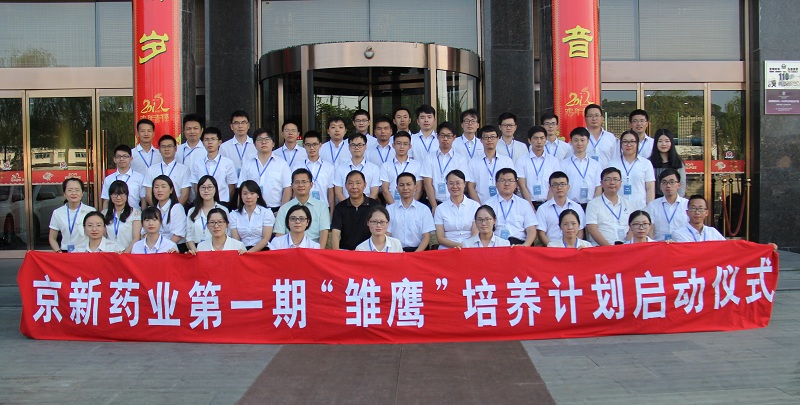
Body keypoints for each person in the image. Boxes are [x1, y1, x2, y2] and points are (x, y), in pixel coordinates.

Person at [422, 122, 473, 212]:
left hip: (454, 204)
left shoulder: (460, 159)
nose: (445, 139)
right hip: (434, 203)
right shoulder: (429, 158)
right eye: (442, 135)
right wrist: (434, 206)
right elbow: (427, 183)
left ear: (454, 137)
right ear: (437, 136)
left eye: (449, 136)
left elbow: (462, 183)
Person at [273, 168, 330, 246]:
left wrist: (319, 252)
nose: (300, 185)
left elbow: (324, 232)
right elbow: (279, 234)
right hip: (290, 248)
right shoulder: (284, 208)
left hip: (312, 248)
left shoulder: (322, 207)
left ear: (311, 185)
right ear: (292, 185)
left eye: (304, 182)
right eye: (297, 182)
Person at [238, 128, 292, 210]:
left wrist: (281, 211)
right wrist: (241, 209)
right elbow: (241, 187)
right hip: (252, 208)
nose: (263, 142)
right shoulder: (247, 164)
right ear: (254, 144)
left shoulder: (282, 164)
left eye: (267, 139)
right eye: (260, 139)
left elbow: (287, 189)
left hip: (275, 209)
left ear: (273, 143)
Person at [485, 168, 538, 246]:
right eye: (502, 180)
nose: (506, 184)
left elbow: (531, 229)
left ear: (516, 184)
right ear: (496, 184)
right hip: (496, 244)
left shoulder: (524, 204)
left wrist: (525, 245)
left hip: (519, 243)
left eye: (510, 181)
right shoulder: (488, 204)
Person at [331, 170, 382, 250]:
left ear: (365, 185)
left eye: (358, 183)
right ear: (346, 185)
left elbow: (380, 231)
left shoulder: (375, 206)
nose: (354, 187)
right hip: (346, 251)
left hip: (369, 251)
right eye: (350, 183)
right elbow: (335, 233)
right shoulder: (339, 207)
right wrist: (336, 254)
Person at [607, 131, 655, 210]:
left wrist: (649, 209)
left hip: (640, 209)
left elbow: (650, 189)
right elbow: (608, 188)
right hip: (618, 209)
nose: (628, 145)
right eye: (625, 142)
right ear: (621, 144)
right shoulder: (612, 163)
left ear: (637, 144)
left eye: (632, 141)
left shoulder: (646, 164)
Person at [386, 172, 435, 252]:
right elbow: (387, 234)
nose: (405, 188)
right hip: (395, 251)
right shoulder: (389, 210)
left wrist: (415, 255)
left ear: (415, 187)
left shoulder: (424, 209)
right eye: (401, 185)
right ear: (397, 188)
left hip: (418, 251)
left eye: (408, 184)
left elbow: (426, 237)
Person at [585, 167, 634, 246]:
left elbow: (633, 227)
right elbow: (591, 228)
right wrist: (609, 248)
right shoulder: (593, 204)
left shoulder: (628, 204)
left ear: (621, 183)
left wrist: (626, 244)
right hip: (601, 248)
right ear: (601, 183)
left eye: (615, 179)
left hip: (625, 247)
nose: (612, 182)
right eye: (608, 179)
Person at [467, 125, 515, 204]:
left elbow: (512, 184)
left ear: (498, 138)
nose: (489, 140)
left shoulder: (507, 161)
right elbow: (470, 186)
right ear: (481, 140)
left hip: (503, 204)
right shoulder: (473, 162)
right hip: (481, 204)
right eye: (486, 137)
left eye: (492, 137)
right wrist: (479, 206)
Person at [190, 127, 238, 206]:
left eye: (213, 139)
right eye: (206, 140)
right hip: (202, 203)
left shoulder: (228, 163)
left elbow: (231, 187)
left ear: (219, 142)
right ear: (202, 143)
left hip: (222, 202)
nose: (210, 142)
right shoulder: (198, 163)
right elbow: (195, 185)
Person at [536, 171, 586, 246]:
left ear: (568, 187)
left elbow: (580, 230)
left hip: (573, 248)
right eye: (555, 185)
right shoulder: (543, 209)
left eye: (562, 184)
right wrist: (552, 247)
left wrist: (574, 247)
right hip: (552, 247)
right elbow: (541, 233)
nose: (559, 187)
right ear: (550, 188)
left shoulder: (577, 207)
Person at [517, 125, 562, 209]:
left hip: (548, 203)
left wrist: (547, 206)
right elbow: (522, 186)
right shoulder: (521, 161)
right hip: (528, 204)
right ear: (529, 140)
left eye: (542, 138)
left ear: (546, 140)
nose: (539, 141)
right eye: (536, 138)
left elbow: (554, 184)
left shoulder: (553, 161)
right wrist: (530, 207)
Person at [434, 169, 480, 249]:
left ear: (464, 184)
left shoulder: (474, 206)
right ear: (447, 185)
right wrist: (458, 246)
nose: (454, 186)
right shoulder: (440, 209)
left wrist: (465, 246)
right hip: (447, 248)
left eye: (458, 183)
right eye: (451, 183)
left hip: (470, 247)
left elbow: (475, 234)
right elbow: (440, 238)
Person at [292, 130, 335, 212]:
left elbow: (331, 192)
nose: (311, 148)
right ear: (304, 146)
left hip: (323, 209)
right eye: (308, 145)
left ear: (320, 145)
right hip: (302, 208)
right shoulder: (297, 167)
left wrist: (331, 213)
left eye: (315, 144)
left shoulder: (329, 167)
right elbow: (294, 190)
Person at [48, 178, 95, 252]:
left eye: (77, 190)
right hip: (65, 252)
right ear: (64, 193)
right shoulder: (57, 212)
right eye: (70, 190)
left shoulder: (90, 211)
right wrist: (58, 252)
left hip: (85, 252)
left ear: (82, 193)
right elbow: (52, 238)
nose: (73, 193)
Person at [186, 175, 229, 254]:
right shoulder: (192, 211)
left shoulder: (223, 210)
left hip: (218, 250)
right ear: (198, 190)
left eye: (209, 187)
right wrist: (195, 251)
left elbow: (227, 232)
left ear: (215, 189)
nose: (206, 190)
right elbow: (189, 236)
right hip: (197, 251)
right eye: (203, 187)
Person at [561, 127, 602, 209]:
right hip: (570, 206)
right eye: (576, 140)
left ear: (588, 141)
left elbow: (598, 187)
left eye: (582, 140)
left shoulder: (595, 165)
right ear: (571, 142)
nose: (579, 143)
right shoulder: (563, 164)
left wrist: (594, 205)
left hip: (591, 205)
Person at [229, 180, 275, 252]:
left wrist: (249, 252)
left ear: (258, 195)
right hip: (241, 251)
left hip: (262, 250)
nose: (248, 197)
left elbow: (266, 239)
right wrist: (244, 252)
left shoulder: (266, 213)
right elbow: (236, 240)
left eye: (252, 193)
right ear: (240, 196)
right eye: (245, 194)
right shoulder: (234, 215)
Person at [333, 133, 381, 202]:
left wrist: (366, 205)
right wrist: (348, 205)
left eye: (360, 145)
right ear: (349, 147)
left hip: (368, 206)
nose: (356, 147)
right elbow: (338, 192)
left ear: (365, 147)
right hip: (346, 205)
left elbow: (374, 193)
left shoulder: (374, 168)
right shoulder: (340, 169)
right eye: (353, 145)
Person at [145, 135, 191, 206]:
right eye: (163, 147)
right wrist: (157, 210)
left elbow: (185, 195)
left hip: (177, 207)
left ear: (175, 148)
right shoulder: (151, 169)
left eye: (169, 146)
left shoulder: (184, 170)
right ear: (159, 149)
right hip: (156, 208)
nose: (166, 149)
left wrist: (175, 209)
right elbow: (148, 194)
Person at [645, 169, 689, 241]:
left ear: (679, 185)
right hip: (659, 245)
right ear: (660, 186)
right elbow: (649, 230)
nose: (668, 185)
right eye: (664, 182)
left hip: (681, 245)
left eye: (672, 182)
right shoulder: (653, 205)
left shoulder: (687, 205)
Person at [380, 131, 423, 204]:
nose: (402, 147)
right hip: (391, 205)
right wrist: (394, 207)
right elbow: (385, 190)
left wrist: (410, 205)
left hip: (413, 206)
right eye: (399, 143)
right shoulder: (386, 165)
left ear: (410, 146)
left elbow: (419, 189)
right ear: (393, 145)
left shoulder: (417, 165)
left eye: (405, 144)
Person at [100, 145, 145, 210]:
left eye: (125, 156)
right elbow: (106, 200)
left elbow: (143, 200)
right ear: (114, 159)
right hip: (114, 214)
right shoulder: (108, 179)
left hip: (134, 214)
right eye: (118, 156)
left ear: (131, 158)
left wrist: (143, 214)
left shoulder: (140, 178)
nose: (121, 159)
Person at [103, 180, 142, 253]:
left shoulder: (135, 213)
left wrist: (124, 254)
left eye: (121, 194)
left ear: (127, 195)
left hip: (128, 254)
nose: (118, 197)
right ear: (110, 196)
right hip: (109, 254)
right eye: (115, 194)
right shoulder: (104, 214)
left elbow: (136, 238)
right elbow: (103, 237)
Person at [151, 175, 187, 251]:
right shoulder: (152, 209)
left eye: (163, 187)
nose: (159, 190)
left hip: (173, 248)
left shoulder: (177, 208)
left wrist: (162, 249)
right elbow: (145, 232)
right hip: (154, 249)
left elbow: (178, 235)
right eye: (156, 187)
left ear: (171, 190)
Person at [648, 128, 686, 198]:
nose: (664, 144)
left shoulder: (678, 162)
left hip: (674, 199)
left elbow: (682, 185)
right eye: (660, 141)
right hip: (654, 199)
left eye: (667, 141)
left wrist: (677, 201)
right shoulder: (648, 162)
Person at [220, 110, 257, 175]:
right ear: (231, 126)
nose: (240, 126)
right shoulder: (224, 147)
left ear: (248, 125)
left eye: (243, 122)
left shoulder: (256, 145)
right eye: (236, 123)